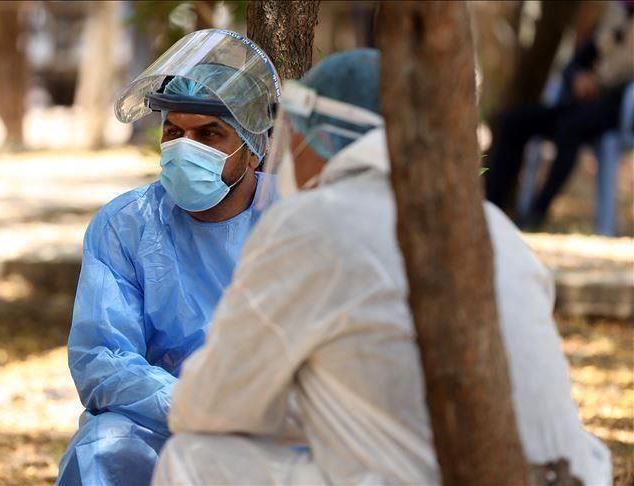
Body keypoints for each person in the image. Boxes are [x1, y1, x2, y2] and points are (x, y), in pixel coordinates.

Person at [153, 49, 612, 485]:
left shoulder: (312, 224)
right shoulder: (492, 226)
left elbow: (206, 406)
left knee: (191, 458)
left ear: (324, 137)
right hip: (564, 476)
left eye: (295, 135)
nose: (288, 154)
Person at [56, 30, 281, 486]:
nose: (185, 147)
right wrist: (197, 408)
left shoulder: (297, 217)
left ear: (252, 146)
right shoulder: (126, 224)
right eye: (174, 132)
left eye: (209, 133)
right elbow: (102, 359)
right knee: (101, 447)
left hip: (279, 429)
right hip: (166, 424)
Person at [486, 0, 634, 229]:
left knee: (570, 128)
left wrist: (602, 87)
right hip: (577, 105)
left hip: (615, 112)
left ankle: (537, 212)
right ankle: (491, 207)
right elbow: (576, 63)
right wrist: (577, 79)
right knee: (515, 121)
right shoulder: (614, 16)